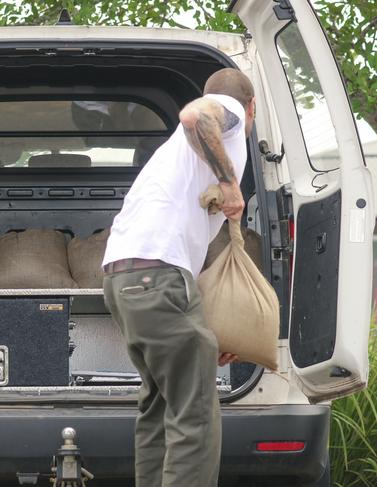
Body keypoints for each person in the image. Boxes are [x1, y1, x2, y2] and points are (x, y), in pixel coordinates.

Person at [102, 68, 256, 487]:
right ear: (252, 108)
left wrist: (209, 328)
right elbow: (194, 116)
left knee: (160, 408)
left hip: (124, 277)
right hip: (156, 274)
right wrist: (230, 185)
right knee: (196, 413)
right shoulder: (230, 111)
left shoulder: (179, 161)